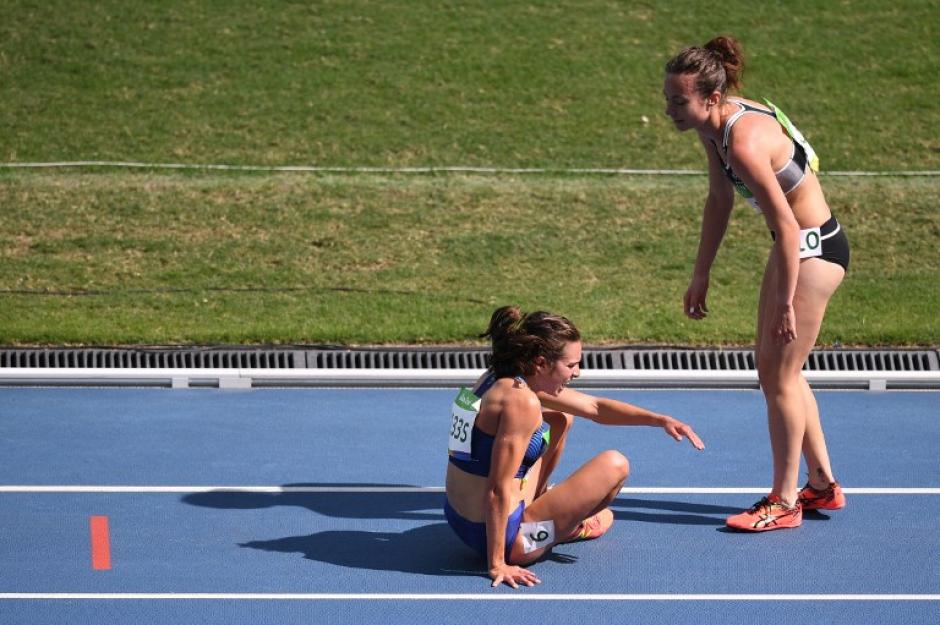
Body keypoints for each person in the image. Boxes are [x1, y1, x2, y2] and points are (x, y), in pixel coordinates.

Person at [662, 36, 850, 532]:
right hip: (795, 248)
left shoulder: (742, 140)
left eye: (678, 102)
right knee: (775, 371)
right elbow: (718, 199)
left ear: (710, 97)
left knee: (780, 376)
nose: (669, 111)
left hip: (813, 248)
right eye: (667, 101)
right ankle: (822, 485)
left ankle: (785, 501)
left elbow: (789, 226)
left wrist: (786, 303)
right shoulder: (714, 127)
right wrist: (701, 272)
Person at [445, 306, 704, 588]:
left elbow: (594, 407)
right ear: (542, 363)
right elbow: (497, 489)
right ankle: (558, 527)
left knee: (560, 419)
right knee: (615, 465)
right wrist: (497, 564)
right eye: (571, 365)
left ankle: (543, 506)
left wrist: (659, 420)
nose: (577, 373)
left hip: (459, 519)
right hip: (510, 541)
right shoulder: (522, 403)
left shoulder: (497, 378)